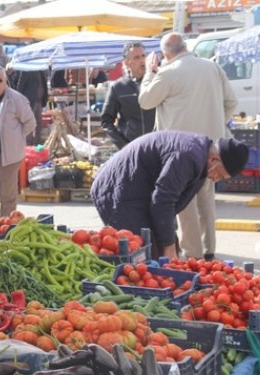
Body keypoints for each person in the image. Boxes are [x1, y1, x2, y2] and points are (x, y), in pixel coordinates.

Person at [139, 32, 238, 260]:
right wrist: (215, 123)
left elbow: (145, 101)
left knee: (185, 202)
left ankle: (193, 255)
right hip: (212, 146)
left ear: (165, 54)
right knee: (206, 197)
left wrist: (149, 73)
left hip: (181, 150)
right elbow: (231, 102)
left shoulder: (168, 73)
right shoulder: (212, 68)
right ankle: (209, 249)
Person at [91, 131, 248, 259]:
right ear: (214, 159)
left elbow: (170, 203)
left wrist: (169, 242)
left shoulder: (200, 161)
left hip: (139, 190)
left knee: (158, 252)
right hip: (117, 190)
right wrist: (169, 246)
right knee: (139, 254)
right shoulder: (187, 156)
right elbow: (162, 201)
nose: (216, 179)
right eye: (220, 175)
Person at [0, 65, 36, 220]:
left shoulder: (16, 99)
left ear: (5, 80)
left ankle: (4, 231)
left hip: (8, 157)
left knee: (7, 198)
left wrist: (15, 139)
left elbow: (30, 123)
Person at [101, 42, 155, 149]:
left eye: (143, 56)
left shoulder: (157, 81)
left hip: (156, 143)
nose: (142, 60)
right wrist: (123, 144)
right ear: (127, 63)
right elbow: (106, 121)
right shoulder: (118, 87)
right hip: (132, 146)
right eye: (136, 57)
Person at [15, 70, 48, 145]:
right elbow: (20, 87)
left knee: (39, 124)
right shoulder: (26, 71)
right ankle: (28, 144)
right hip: (29, 102)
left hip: (39, 101)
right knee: (29, 124)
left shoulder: (40, 71)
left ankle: (37, 143)